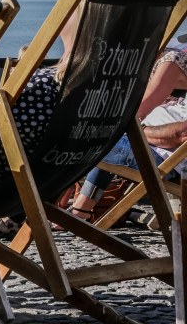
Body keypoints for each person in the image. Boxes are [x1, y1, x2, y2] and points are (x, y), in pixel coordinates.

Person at [71, 44, 187, 222]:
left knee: (86, 137)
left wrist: (136, 130)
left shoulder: (172, 62)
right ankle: (79, 211)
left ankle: (69, 210)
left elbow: (179, 135)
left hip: (163, 159)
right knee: (89, 132)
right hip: (147, 142)